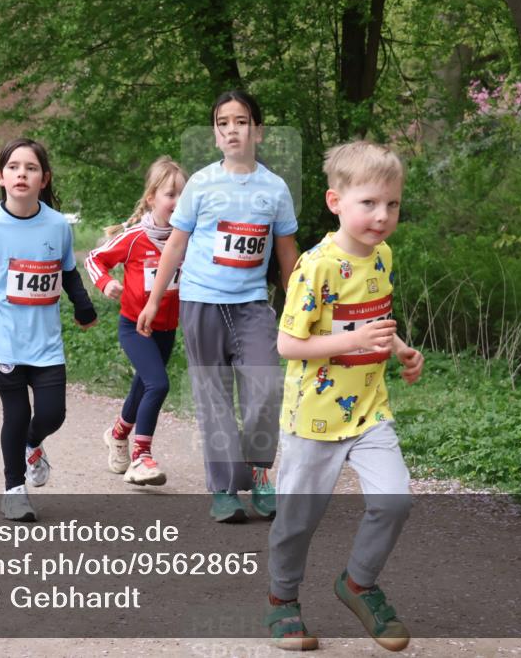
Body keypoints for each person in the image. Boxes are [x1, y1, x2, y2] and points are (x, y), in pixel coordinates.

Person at [264, 141, 424, 652]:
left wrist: (400, 349)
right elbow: (288, 343)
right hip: (313, 416)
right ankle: (282, 600)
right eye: (369, 203)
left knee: (394, 499)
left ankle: (358, 583)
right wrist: (354, 342)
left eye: (392, 205)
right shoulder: (316, 267)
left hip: (369, 410)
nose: (382, 216)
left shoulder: (383, 256)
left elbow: (374, 320)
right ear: (336, 202)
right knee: (297, 521)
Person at [136, 90, 299, 522]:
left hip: (251, 306)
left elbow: (287, 255)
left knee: (265, 391)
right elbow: (176, 244)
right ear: (214, 134)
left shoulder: (275, 188)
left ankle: (261, 475)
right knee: (215, 401)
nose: (232, 129)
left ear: (258, 131)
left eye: (241, 121)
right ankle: (224, 488)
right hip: (201, 303)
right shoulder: (201, 185)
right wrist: (154, 301)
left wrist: (301, 308)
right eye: (223, 122)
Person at [0, 138, 97, 522]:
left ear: (44, 178)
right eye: (14, 167)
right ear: (1, 177)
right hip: (4, 342)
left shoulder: (56, 225)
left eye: (31, 168)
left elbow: (67, 272)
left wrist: (84, 308)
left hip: (45, 342)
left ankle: (33, 443)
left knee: (53, 414)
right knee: (15, 414)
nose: (22, 173)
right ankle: (14, 489)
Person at [85, 157, 188, 486]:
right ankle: (141, 457)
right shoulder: (133, 238)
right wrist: (106, 283)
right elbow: (94, 258)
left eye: (183, 195)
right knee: (158, 384)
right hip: (135, 327)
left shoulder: (188, 237)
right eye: (171, 194)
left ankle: (118, 434)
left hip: (166, 329)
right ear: (151, 199)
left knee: (143, 385)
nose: (177, 202)